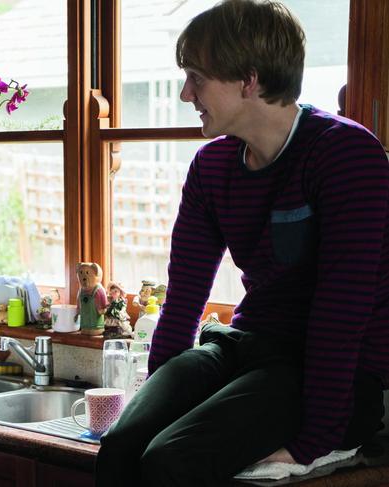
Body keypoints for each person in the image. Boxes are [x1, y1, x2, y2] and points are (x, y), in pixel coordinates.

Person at [96, 1, 389, 485]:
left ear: (248, 81)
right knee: (120, 448)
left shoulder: (345, 153)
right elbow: (185, 292)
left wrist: (313, 441)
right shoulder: (211, 166)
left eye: (197, 77)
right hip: (240, 350)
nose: (187, 93)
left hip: (328, 376)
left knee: (171, 461)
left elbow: (343, 311)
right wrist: (166, 395)